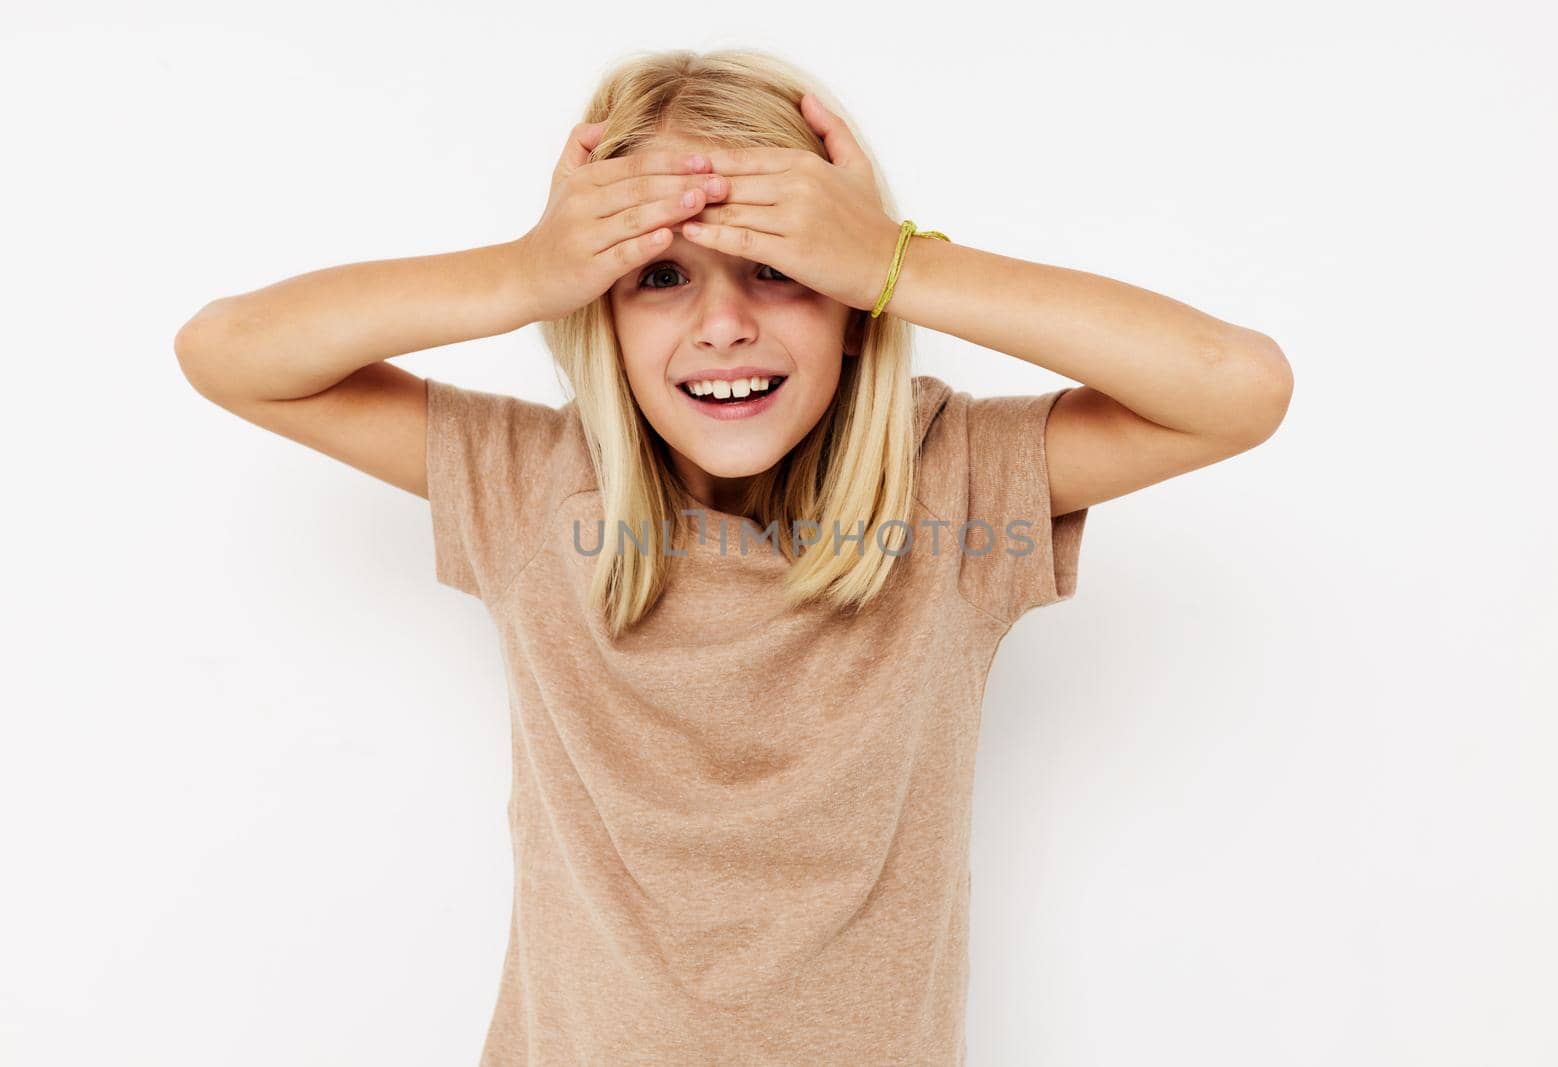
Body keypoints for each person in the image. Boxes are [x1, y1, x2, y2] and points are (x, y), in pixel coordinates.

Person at [174, 46, 1292, 1067]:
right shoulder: (529, 487)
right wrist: (523, 270)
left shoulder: (948, 487)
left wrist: (897, 261)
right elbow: (227, 351)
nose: (721, 323)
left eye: (777, 269)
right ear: (596, 309)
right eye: (660, 275)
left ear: (856, 303)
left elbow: (1235, 387)